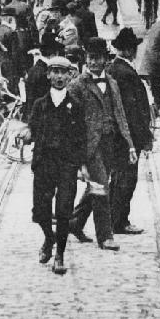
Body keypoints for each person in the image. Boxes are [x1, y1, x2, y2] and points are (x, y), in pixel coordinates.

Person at [68, 37, 136, 249]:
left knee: (98, 184)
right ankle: (105, 236)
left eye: (97, 58)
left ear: (106, 60)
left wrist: (130, 144)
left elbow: (120, 114)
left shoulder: (112, 83)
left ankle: (75, 222)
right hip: (90, 144)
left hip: (111, 142)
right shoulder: (77, 85)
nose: (93, 63)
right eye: (90, 58)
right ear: (85, 59)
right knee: (101, 187)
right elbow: (72, 120)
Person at [23, 55, 87, 275]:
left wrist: (81, 165)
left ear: (70, 76)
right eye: (55, 72)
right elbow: (31, 128)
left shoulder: (76, 105)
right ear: (48, 74)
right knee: (40, 211)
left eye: (63, 72)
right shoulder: (40, 105)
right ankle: (48, 239)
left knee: (63, 211)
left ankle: (59, 254)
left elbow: (81, 136)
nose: (59, 77)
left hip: (67, 164)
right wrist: (25, 135)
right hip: (44, 162)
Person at [106, 27, 152, 235]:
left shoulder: (115, 68)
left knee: (118, 178)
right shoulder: (124, 72)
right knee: (126, 179)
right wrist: (143, 137)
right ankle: (119, 221)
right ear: (127, 50)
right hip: (129, 136)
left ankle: (113, 218)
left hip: (120, 134)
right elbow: (131, 110)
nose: (135, 51)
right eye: (133, 48)